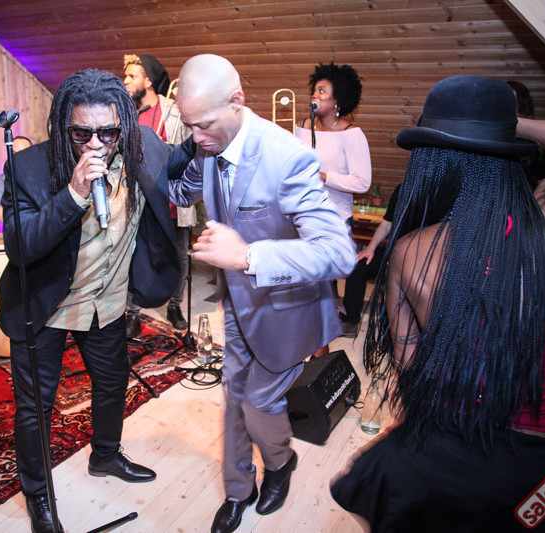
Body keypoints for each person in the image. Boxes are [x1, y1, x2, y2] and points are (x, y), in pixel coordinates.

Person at [330, 75, 545, 532]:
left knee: (370, 482)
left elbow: (414, 386)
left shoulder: (409, 254)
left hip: (434, 469)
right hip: (536, 479)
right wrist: (508, 123)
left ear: (429, 163)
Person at [0, 69, 194, 533]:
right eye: (81, 133)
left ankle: (104, 455)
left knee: (112, 381)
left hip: (105, 301)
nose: (96, 144)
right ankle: (38, 495)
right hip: (46, 304)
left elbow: (182, 156)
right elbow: (20, 247)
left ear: (123, 124)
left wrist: (213, 123)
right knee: (36, 407)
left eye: (108, 132)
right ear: (63, 125)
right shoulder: (27, 168)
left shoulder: (143, 147)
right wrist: (74, 193)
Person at [169, 54, 356, 533]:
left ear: (237, 101)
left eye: (203, 124)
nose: (197, 136)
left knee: (257, 402)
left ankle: (280, 462)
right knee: (233, 396)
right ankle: (238, 491)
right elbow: (182, 190)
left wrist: (248, 255)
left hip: (286, 309)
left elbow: (339, 253)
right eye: (190, 125)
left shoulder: (286, 156)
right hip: (237, 304)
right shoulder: (207, 145)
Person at [123, 53, 195, 332]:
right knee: (133, 257)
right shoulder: (126, 115)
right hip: (136, 201)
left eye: (132, 76)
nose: (126, 80)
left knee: (179, 256)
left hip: (173, 200)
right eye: (126, 75)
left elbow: (190, 152)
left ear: (149, 81)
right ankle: (133, 312)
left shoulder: (174, 111)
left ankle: (174, 305)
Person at [294, 62, 371, 225]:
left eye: (322, 91)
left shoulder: (351, 134)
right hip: (303, 216)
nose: (315, 95)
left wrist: (323, 177)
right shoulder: (301, 127)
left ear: (337, 99)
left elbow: (362, 183)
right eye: (314, 91)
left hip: (336, 220)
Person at [339, 184, 400, 337]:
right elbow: (387, 224)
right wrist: (370, 248)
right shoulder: (402, 189)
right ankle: (350, 321)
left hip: (420, 255)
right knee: (358, 266)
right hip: (393, 249)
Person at [507, 80, 545, 193]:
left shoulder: (534, 145)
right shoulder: (486, 137)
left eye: (512, 102)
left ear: (522, 107)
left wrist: (532, 201)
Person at [0, 135, 32, 222]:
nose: (18, 157)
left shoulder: (42, 176)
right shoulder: (2, 180)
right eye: (14, 153)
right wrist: (20, 222)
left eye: (23, 152)